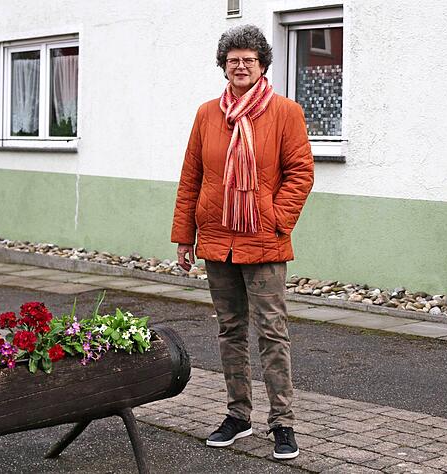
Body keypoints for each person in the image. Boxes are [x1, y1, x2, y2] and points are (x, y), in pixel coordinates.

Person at [171, 24, 314, 460]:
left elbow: (301, 173)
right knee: (230, 331)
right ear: (223, 66)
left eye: (249, 59)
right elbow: (191, 177)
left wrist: (276, 218)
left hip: (264, 241)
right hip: (218, 240)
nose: (240, 66)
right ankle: (238, 415)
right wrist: (184, 237)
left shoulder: (286, 112)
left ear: (262, 64)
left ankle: (282, 423)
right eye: (233, 60)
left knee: (272, 332)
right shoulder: (206, 114)